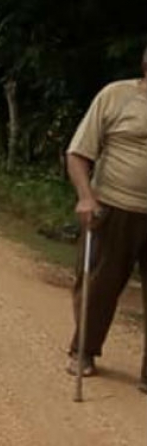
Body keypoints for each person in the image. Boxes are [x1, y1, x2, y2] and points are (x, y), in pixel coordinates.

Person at [64, 46, 147, 387]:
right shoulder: (117, 96)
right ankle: (84, 350)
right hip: (113, 206)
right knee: (99, 285)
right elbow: (78, 152)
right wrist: (86, 197)